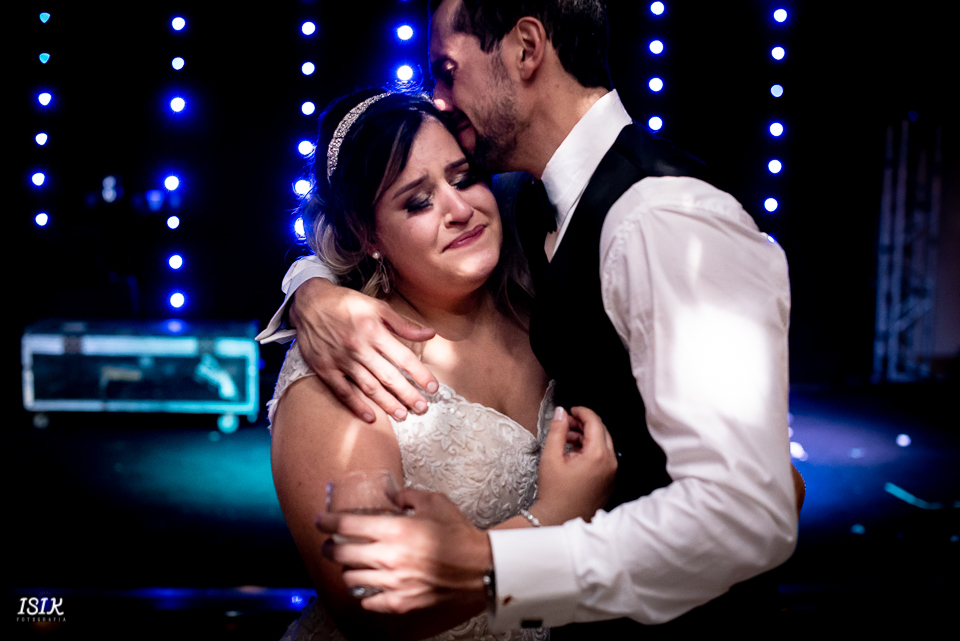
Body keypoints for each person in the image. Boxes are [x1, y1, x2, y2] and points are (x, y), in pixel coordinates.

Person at [262, 0, 802, 635]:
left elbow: (755, 508)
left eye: (445, 69)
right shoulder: (533, 220)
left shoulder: (662, 219)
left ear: (525, 49)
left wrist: (506, 557)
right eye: (418, 201)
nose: (439, 98)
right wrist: (313, 290)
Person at [267, 89, 618, 641]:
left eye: (462, 178)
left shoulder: (547, 307)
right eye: (417, 202)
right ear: (368, 235)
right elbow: (369, 604)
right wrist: (553, 518)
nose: (458, 210)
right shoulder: (344, 369)